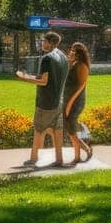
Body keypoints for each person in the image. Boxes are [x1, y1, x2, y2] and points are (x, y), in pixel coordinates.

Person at [15, 31, 69, 168]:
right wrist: (30, 76)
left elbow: (44, 82)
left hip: (45, 102)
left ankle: (33, 159)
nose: (42, 43)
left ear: (51, 43)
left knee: (39, 129)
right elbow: (48, 79)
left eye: (44, 41)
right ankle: (59, 159)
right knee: (57, 130)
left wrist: (23, 78)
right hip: (58, 100)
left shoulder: (47, 58)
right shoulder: (63, 57)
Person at [63, 41, 93, 163]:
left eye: (73, 51)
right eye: (71, 50)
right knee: (69, 128)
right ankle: (86, 149)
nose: (70, 52)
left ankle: (77, 157)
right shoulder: (74, 64)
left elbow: (81, 86)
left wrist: (69, 104)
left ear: (79, 54)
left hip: (75, 101)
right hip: (68, 99)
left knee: (71, 129)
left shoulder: (82, 66)